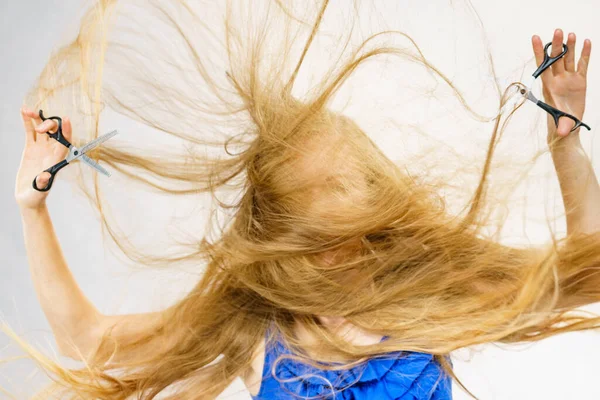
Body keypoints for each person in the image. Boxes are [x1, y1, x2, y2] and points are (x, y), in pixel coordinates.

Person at [8, 1, 600, 399]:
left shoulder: (427, 294)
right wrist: (31, 210)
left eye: (345, 226)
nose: (334, 254)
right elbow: (87, 340)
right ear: (277, 231)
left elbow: (587, 271)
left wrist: (566, 144)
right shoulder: (252, 325)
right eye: (312, 234)